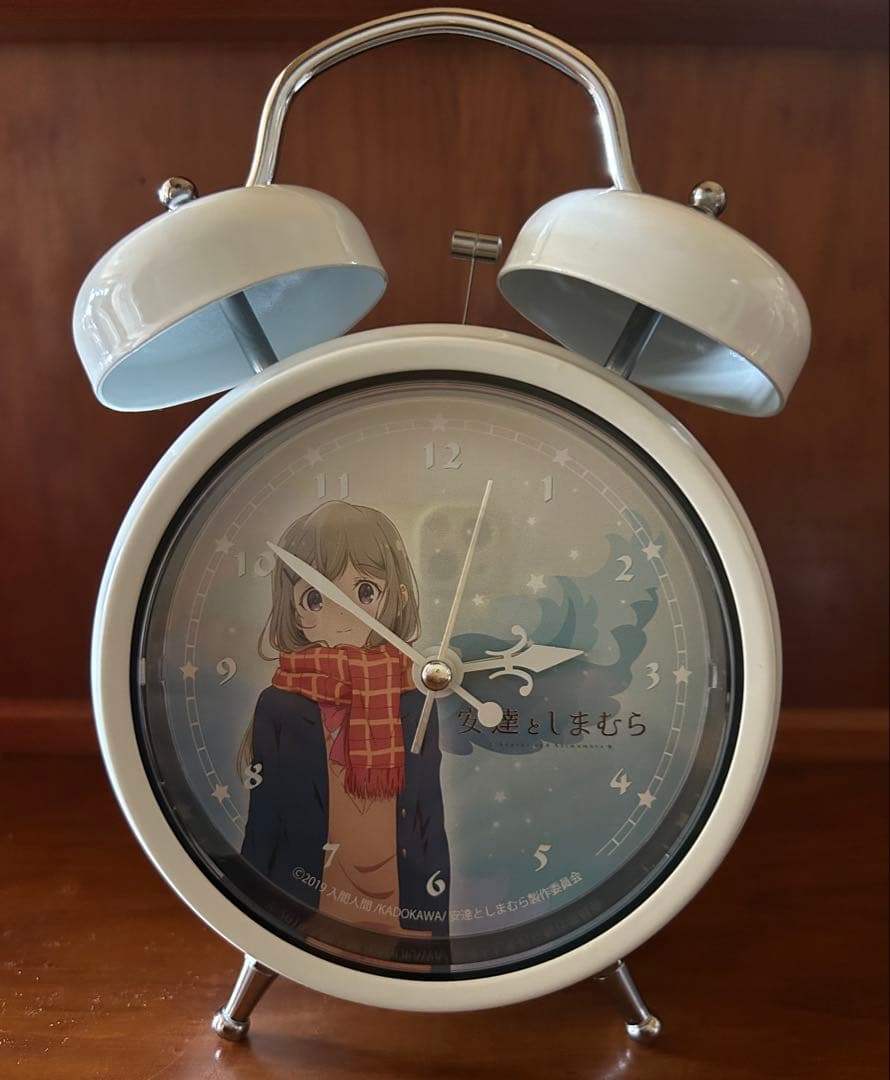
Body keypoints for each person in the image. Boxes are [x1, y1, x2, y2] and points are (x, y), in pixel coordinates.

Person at [239, 500, 450, 940]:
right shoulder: (280, 704)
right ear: (296, 610)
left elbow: (428, 820)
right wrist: (254, 922)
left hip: (401, 901)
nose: (341, 611)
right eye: (316, 597)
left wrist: (435, 930)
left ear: (397, 597)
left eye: (364, 591)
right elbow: (265, 821)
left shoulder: (415, 698)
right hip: (310, 905)